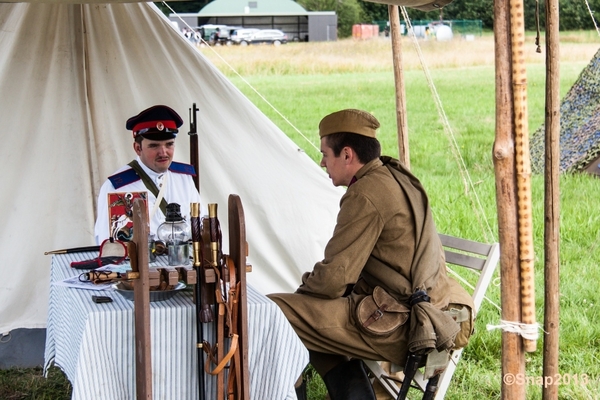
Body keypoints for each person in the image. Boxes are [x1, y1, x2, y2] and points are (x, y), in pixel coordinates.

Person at [268, 109, 474, 400]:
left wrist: (303, 292)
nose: (322, 162)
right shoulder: (394, 175)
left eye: (326, 154)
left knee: (275, 312)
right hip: (425, 305)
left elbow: (334, 279)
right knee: (308, 317)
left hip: (404, 323)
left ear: (348, 155)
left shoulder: (365, 193)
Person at [94, 105, 201, 244]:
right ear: (138, 148)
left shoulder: (184, 178)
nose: (163, 153)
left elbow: (200, 226)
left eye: (169, 144)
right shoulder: (116, 187)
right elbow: (109, 246)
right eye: (154, 146)